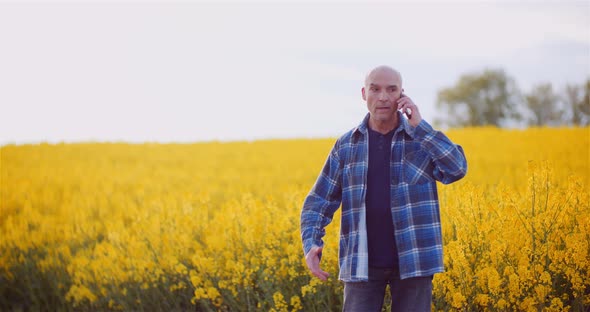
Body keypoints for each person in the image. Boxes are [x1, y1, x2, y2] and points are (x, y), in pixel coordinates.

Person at [300, 65, 467, 312]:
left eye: (392, 89)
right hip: (361, 265)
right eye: (375, 89)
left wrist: (421, 126)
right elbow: (318, 202)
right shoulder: (347, 145)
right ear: (363, 94)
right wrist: (311, 243)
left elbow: (456, 169)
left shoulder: (421, 140)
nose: (383, 97)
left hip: (415, 262)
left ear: (402, 94)